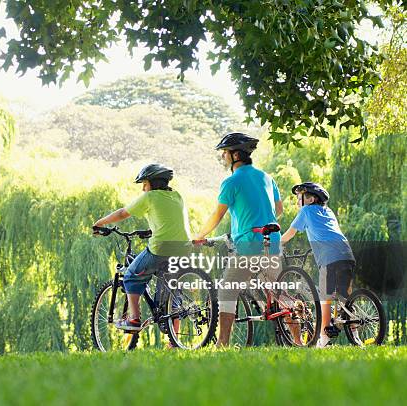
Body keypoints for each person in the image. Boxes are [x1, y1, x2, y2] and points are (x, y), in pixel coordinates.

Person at [194, 132, 286, 347]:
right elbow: (278, 209)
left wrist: (200, 236)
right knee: (279, 293)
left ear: (235, 155)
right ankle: (300, 337)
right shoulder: (267, 177)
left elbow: (217, 216)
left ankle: (222, 344)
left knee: (227, 288)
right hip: (272, 241)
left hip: (248, 243)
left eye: (224, 153)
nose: (223, 157)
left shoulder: (231, 182)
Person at [93, 163, 191, 332]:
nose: (143, 189)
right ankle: (175, 341)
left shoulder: (150, 197)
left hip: (161, 247)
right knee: (170, 292)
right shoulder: (177, 196)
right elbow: (169, 220)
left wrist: (100, 223)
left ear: (153, 183)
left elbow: (123, 213)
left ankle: (134, 319)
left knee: (131, 276)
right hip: (183, 248)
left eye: (144, 184)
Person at [280, 182, 357, 347]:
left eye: (299, 197)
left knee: (325, 299)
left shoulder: (306, 211)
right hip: (346, 254)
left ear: (310, 199)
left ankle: (323, 339)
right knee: (345, 297)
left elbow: (290, 233)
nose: (297, 201)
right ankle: (355, 335)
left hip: (329, 258)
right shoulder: (328, 211)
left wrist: (277, 244)